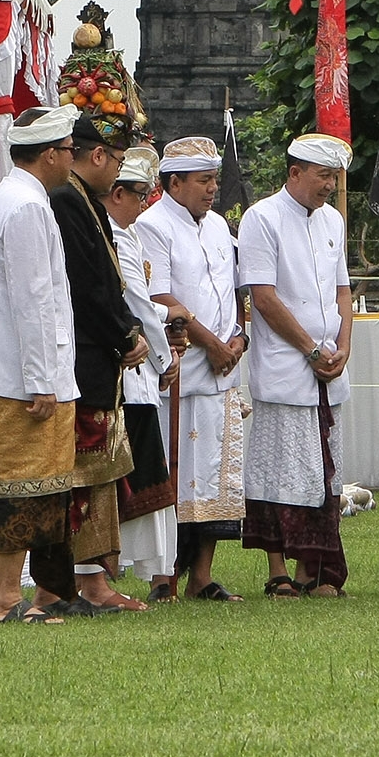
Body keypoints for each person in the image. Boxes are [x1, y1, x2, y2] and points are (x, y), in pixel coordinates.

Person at [0, 104, 83, 624]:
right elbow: (33, 302)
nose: (72, 160)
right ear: (51, 154)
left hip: (0, 372)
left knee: (4, 486)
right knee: (24, 489)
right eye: (70, 151)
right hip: (20, 376)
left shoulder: (6, 198)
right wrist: (42, 380)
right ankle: (7, 596)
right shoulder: (28, 208)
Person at [237, 133, 354, 598]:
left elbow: (343, 290)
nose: (329, 185)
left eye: (334, 177)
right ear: (295, 173)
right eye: (323, 176)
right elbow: (262, 296)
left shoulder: (333, 220)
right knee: (281, 470)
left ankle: (316, 569)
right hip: (288, 367)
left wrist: (343, 346)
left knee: (324, 473)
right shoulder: (261, 218)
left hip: (329, 368)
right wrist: (309, 349)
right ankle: (277, 569)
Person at [43, 111, 148, 615]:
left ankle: (88, 579)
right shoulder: (67, 201)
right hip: (83, 359)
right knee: (85, 471)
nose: (121, 169)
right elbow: (85, 287)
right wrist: (123, 334)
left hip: (98, 357)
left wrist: (127, 330)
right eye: (120, 158)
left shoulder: (86, 202)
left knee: (99, 471)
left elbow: (110, 282)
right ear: (98, 156)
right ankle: (78, 582)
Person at [132, 135, 246, 602]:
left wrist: (237, 338)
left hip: (224, 370)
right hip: (180, 370)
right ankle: (164, 578)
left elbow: (234, 288)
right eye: (203, 180)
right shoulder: (151, 225)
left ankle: (202, 575)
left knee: (216, 479)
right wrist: (213, 344)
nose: (212, 188)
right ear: (174, 183)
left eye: (214, 179)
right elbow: (159, 297)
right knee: (175, 474)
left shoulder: (219, 226)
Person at [104, 145, 180, 593]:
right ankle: (121, 564)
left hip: (139, 369)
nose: (144, 202)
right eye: (138, 193)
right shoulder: (113, 235)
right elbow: (135, 303)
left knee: (146, 472)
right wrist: (164, 358)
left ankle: (150, 568)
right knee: (130, 475)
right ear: (116, 194)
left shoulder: (127, 233)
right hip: (129, 371)